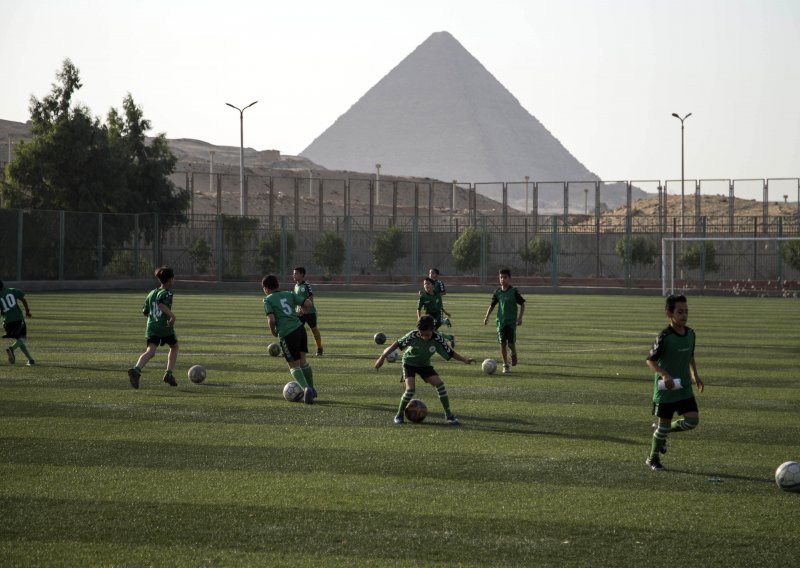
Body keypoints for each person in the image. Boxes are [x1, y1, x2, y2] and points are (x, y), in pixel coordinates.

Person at [375, 314, 474, 425]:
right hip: (409, 363)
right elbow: (397, 344)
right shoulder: (413, 335)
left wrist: (464, 360)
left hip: (424, 365)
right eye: (422, 334)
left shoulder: (438, 339)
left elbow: (450, 353)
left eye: (427, 334)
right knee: (410, 389)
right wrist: (382, 357)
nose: (424, 337)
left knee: (440, 385)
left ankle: (449, 415)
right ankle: (399, 415)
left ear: (433, 330)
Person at [645, 294, 705, 472]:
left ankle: (662, 433)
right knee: (663, 425)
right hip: (666, 389)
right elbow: (650, 360)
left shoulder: (691, 334)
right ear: (669, 314)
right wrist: (664, 375)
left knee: (692, 421)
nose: (684, 315)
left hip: (684, 387)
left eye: (686, 312)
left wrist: (695, 375)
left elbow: (690, 356)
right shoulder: (664, 336)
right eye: (680, 312)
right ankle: (652, 458)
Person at [263, 274, 317, 404]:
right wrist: (302, 311)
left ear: (265, 288)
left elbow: (271, 320)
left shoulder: (268, 300)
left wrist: (273, 332)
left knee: (293, 366)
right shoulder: (289, 294)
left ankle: (306, 389)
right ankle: (312, 389)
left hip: (287, 334)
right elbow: (308, 303)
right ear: (278, 285)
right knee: (303, 361)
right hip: (300, 329)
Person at [128, 266, 179, 389]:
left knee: (150, 351)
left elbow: (145, 312)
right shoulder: (167, 292)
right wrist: (172, 316)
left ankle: (136, 370)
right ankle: (168, 374)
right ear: (170, 279)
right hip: (164, 326)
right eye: (173, 278)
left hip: (151, 326)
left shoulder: (151, 292)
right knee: (174, 347)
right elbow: (160, 303)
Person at [483, 268, 525, 374]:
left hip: (511, 322)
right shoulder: (497, 292)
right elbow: (492, 305)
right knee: (502, 343)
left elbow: (522, 304)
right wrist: (487, 316)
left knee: (510, 344)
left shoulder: (513, 292)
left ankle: (514, 353)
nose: (502, 279)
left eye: (505, 277)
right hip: (500, 322)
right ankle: (505, 365)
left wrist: (520, 318)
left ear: (509, 279)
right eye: (501, 277)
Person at [1, 280, 35, 366]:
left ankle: (30, 360)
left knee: (19, 339)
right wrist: (27, 311)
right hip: (18, 319)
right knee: (22, 338)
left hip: (7, 323)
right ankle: (11, 348)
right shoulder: (12, 290)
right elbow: (23, 299)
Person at [292, 266, 324, 356]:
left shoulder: (306, 285)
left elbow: (311, 297)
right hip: (300, 313)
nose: (293, 275)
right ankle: (294, 349)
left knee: (314, 329)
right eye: (293, 273)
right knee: (295, 331)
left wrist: (307, 309)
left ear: (301, 275)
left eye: (295, 273)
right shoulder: (295, 286)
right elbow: (295, 299)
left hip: (310, 312)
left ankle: (319, 348)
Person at [417, 277, 455, 345]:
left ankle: (448, 338)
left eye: (428, 283)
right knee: (433, 332)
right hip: (428, 315)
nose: (426, 285)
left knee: (432, 331)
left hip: (438, 314)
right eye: (425, 284)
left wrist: (445, 312)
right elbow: (418, 309)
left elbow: (440, 306)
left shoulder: (437, 295)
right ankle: (450, 337)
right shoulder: (423, 297)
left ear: (433, 285)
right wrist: (419, 318)